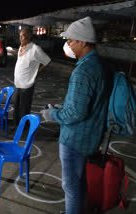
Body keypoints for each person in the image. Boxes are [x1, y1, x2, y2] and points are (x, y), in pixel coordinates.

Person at [40, 17, 108, 214]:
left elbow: (76, 113)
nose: (67, 45)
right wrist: (62, 106)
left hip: (75, 139)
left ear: (84, 41)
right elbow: (88, 102)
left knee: (70, 187)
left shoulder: (84, 71)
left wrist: (52, 113)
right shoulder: (99, 65)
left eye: (70, 40)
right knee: (79, 183)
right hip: (90, 136)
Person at [12, 28, 51, 128]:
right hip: (18, 83)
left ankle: (23, 127)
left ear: (29, 36)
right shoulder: (21, 46)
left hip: (27, 84)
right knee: (16, 106)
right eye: (20, 35)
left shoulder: (35, 49)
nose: (21, 38)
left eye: (23, 35)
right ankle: (16, 125)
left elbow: (47, 60)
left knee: (24, 108)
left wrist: (37, 71)